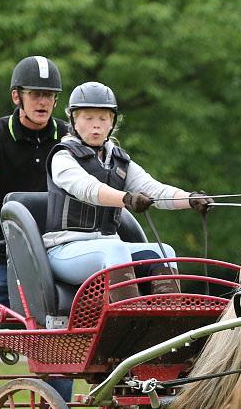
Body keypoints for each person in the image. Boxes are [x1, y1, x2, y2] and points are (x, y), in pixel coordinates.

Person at [44, 81, 213, 300]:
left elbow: (154, 189)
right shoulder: (62, 157)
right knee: (115, 249)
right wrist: (127, 199)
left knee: (165, 253)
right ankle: (129, 325)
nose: (96, 125)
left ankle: (169, 323)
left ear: (111, 122)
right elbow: (88, 189)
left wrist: (190, 199)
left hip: (111, 250)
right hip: (65, 251)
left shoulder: (120, 160)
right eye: (88, 118)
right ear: (74, 121)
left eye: (103, 118)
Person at [0, 55, 68, 328]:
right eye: (35, 94)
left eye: (49, 95)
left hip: (49, 260)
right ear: (17, 97)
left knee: (59, 349)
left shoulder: (68, 137)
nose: (43, 102)